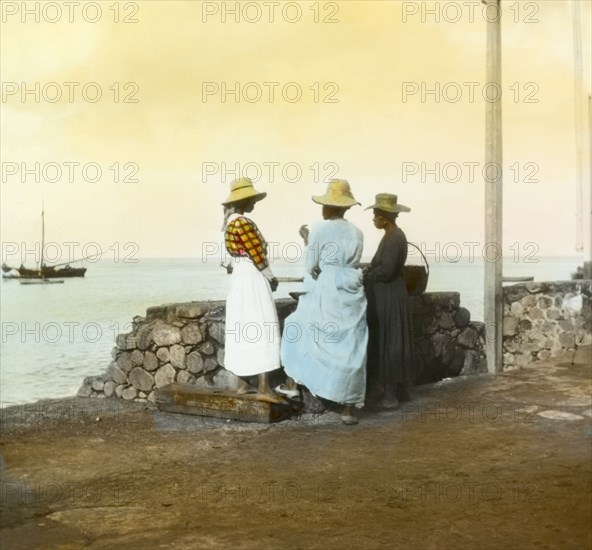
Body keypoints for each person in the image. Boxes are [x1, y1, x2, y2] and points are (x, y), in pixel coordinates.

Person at [279, 179, 368, 425]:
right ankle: (349, 408)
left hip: (329, 285)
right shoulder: (357, 232)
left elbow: (310, 265)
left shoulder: (319, 228)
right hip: (351, 284)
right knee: (351, 345)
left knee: (297, 325)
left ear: (329, 207)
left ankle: (292, 383)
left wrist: (307, 240)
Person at [222, 177, 283, 403]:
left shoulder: (230, 222)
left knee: (242, 324)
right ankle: (264, 387)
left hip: (240, 277)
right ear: (244, 200)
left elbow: (232, 256)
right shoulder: (243, 223)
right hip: (251, 276)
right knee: (261, 322)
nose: (254, 204)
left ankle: (243, 383)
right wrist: (270, 277)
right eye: (252, 200)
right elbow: (256, 254)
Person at [363, 193, 416, 410]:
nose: (374, 219)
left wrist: (368, 275)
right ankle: (400, 390)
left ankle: (391, 395)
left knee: (390, 341)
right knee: (393, 340)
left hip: (389, 295)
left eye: (376, 215)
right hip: (391, 293)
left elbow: (386, 271)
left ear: (385, 217)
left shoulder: (394, 237)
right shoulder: (392, 235)